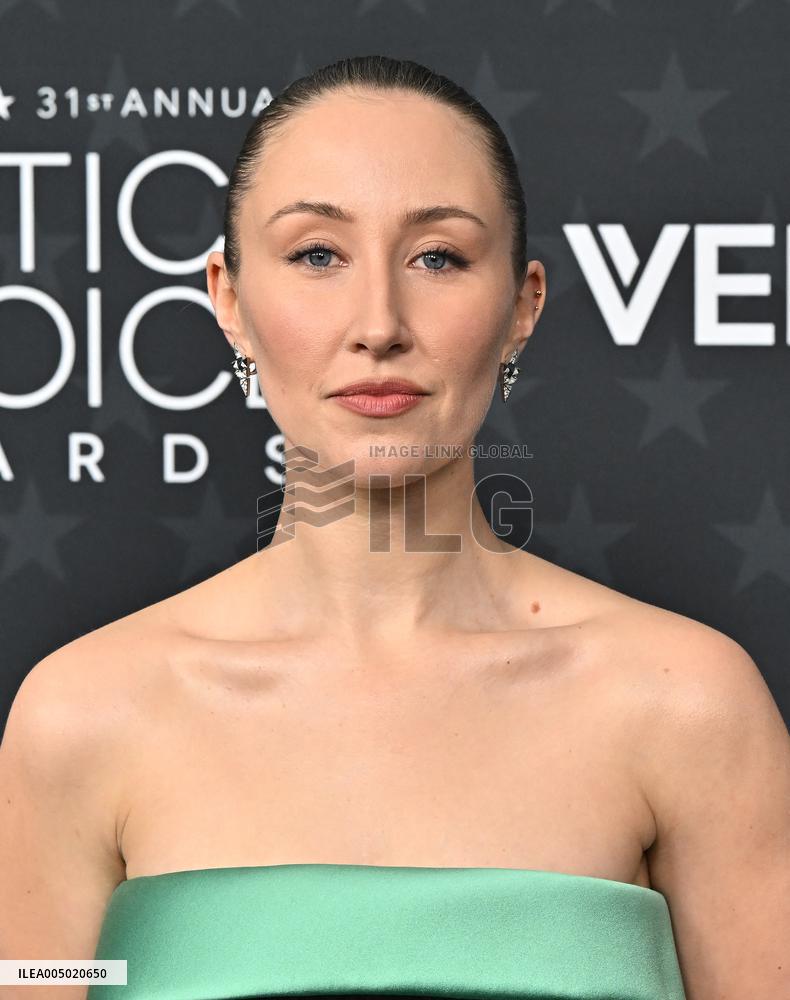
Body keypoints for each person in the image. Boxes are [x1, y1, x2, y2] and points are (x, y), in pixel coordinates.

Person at [1, 54, 788, 1000]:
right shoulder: (81, 720)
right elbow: (39, 977)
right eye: (317, 255)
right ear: (229, 302)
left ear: (522, 308)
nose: (379, 323)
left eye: (438, 257)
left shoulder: (686, 708)